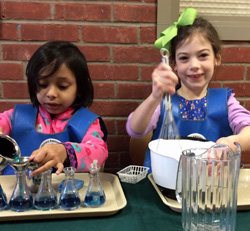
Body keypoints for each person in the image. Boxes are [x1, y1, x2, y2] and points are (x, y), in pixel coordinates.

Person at [126, 8, 250, 170]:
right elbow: (135, 130)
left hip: (213, 186)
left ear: (217, 58)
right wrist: (155, 96)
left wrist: (233, 144)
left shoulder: (226, 102)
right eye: (184, 58)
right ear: (174, 64)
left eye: (203, 55)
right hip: (165, 185)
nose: (194, 65)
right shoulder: (163, 102)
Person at [0, 41, 108, 175]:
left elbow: (99, 151)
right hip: (17, 192)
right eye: (43, 84)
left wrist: (66, 152)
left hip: (69, 193)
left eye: (62, 86)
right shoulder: (15, 118)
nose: (51, 94)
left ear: (79, 88)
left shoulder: (87, 123)